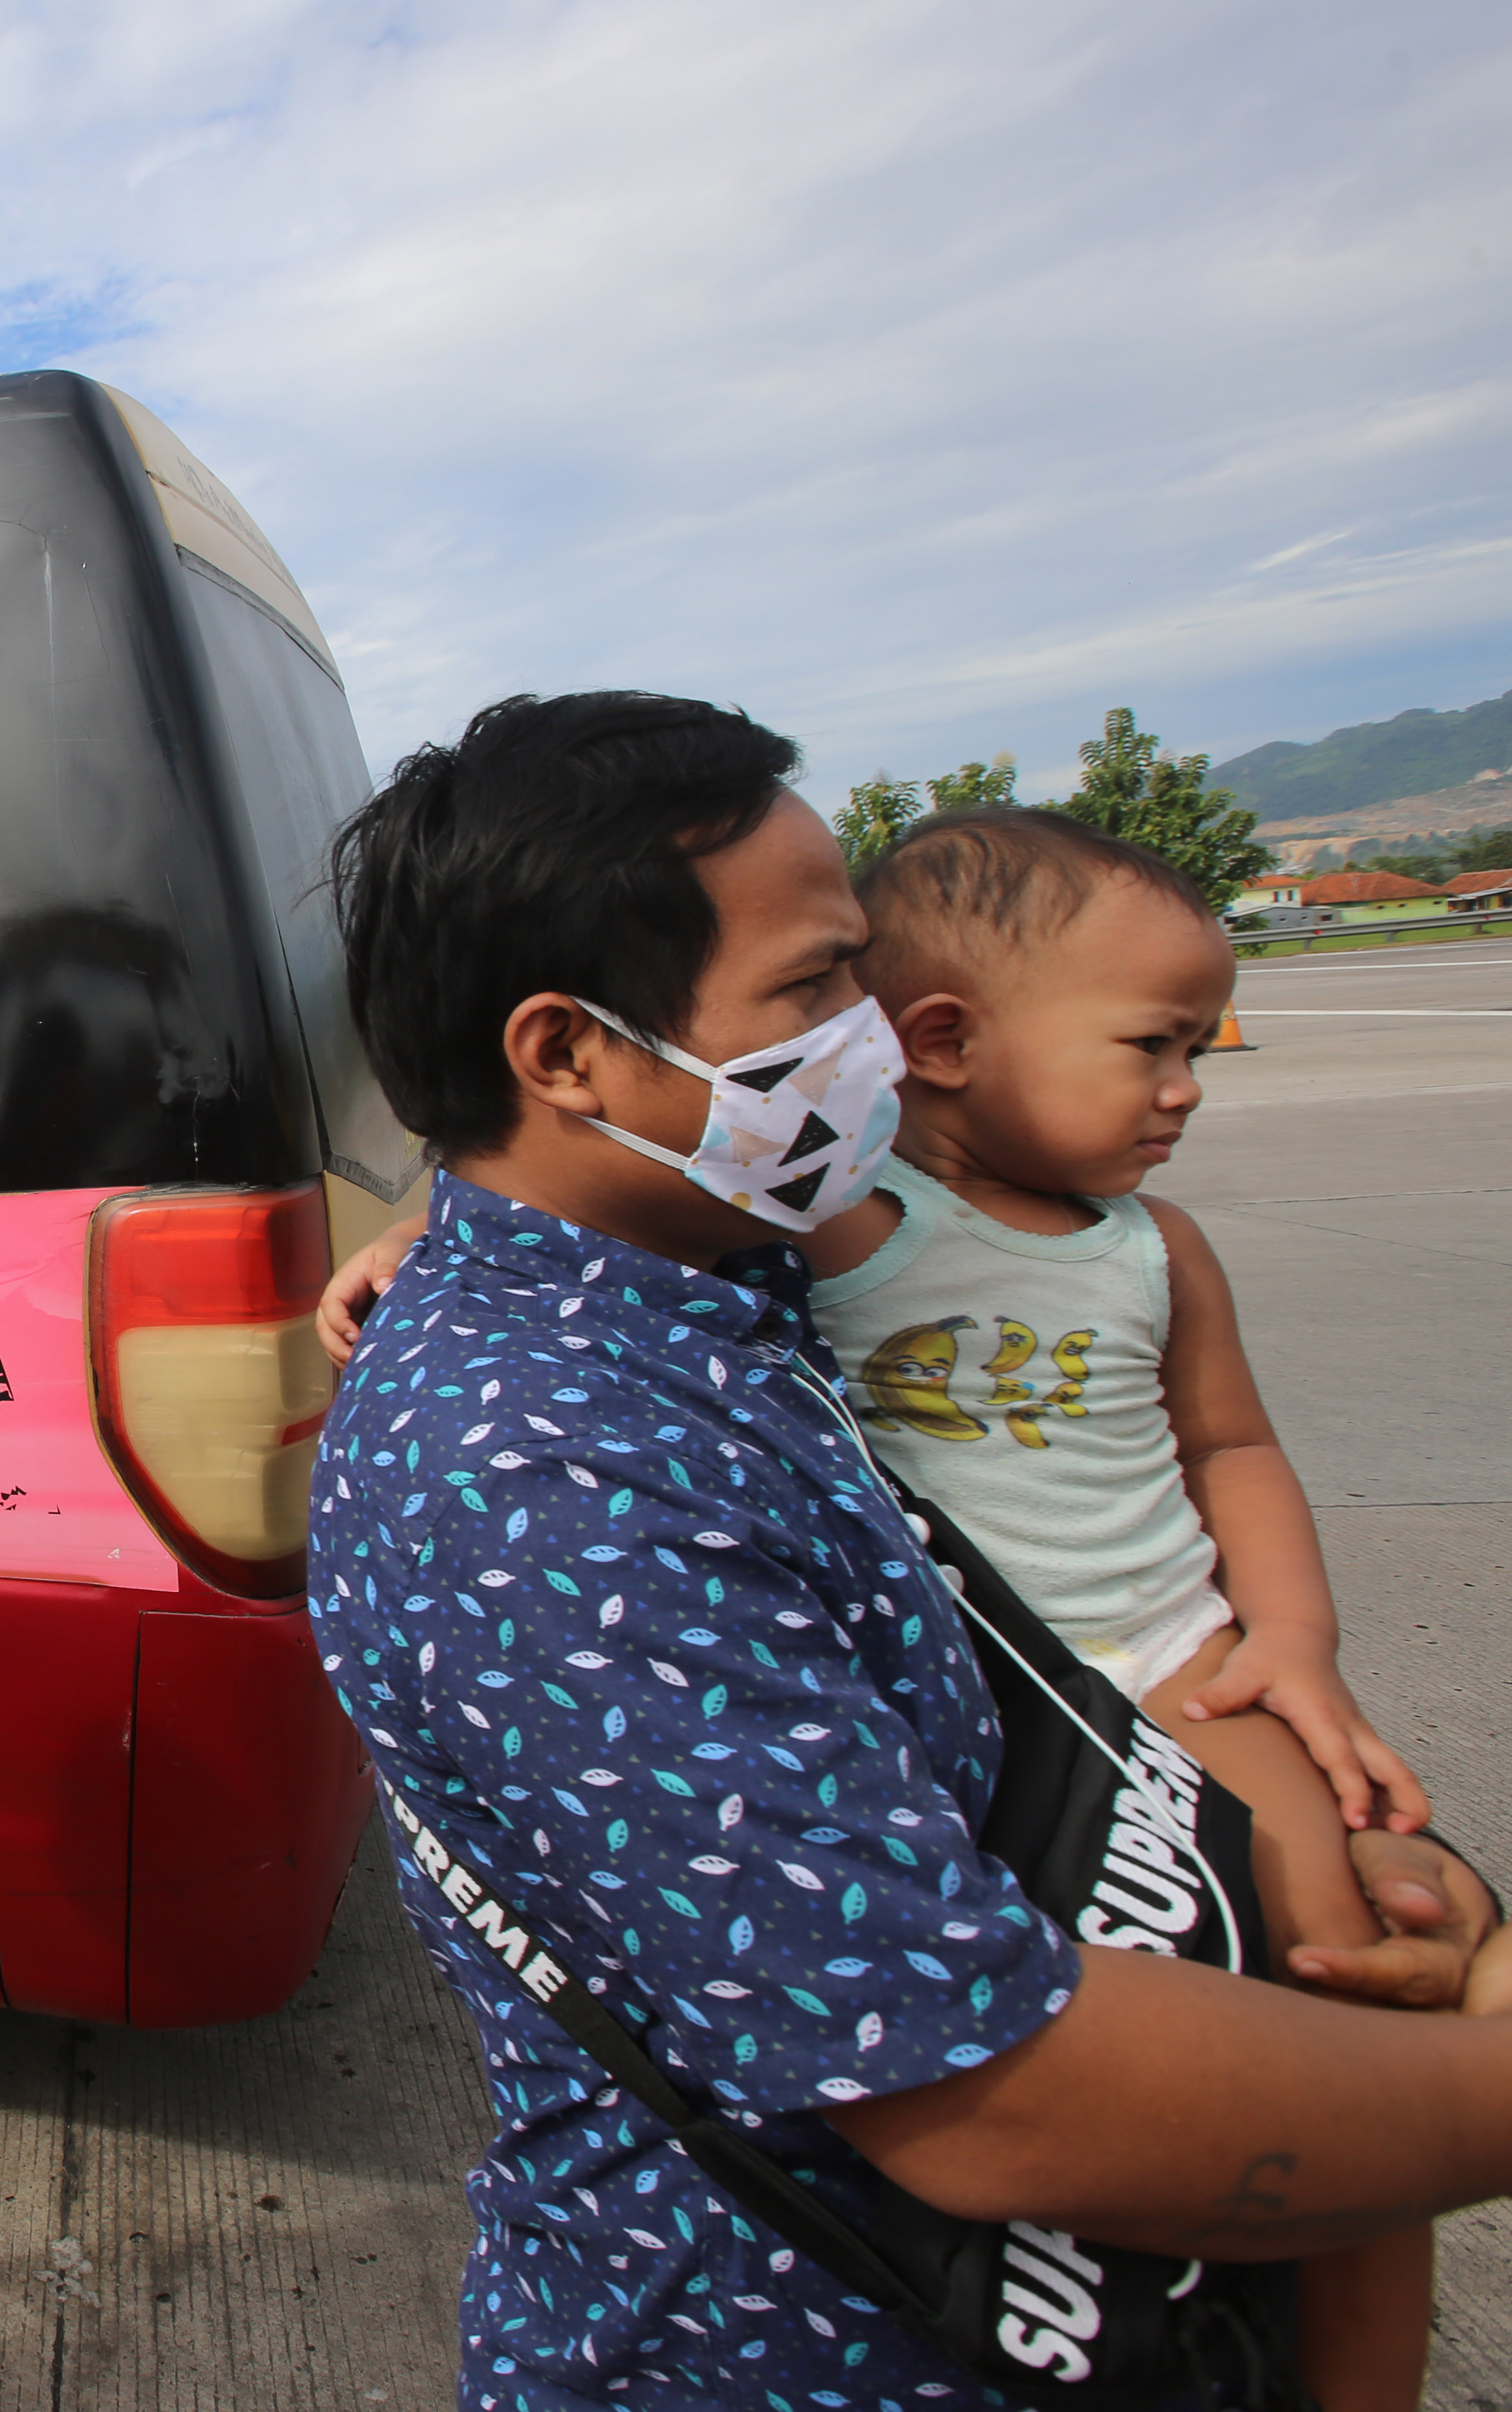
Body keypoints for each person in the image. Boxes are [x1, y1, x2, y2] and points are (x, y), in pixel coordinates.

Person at [303, 691, 1512, 2411]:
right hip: (799, 2351)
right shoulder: (538, 1476)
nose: (874, 1034)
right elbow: (984, 2090)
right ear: (566, 1052)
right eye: (812, 989)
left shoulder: (715, 1260)